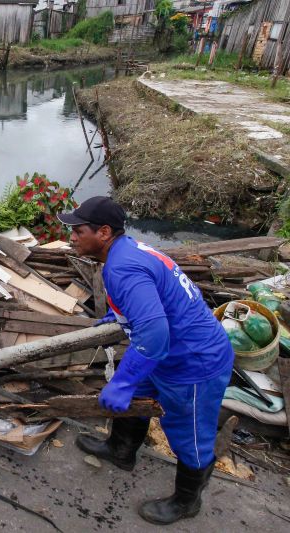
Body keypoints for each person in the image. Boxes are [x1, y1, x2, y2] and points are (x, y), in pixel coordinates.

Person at [57, 196, 234, 526]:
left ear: (104, 232)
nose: (72, 236)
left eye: (78, 230)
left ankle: (187, 501)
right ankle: (121, 451)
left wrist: (121, 382)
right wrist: (120, 313)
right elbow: (155, 296)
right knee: (138, 394)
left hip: (194, 361)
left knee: (189, 433)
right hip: (170, 352)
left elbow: (154, 336)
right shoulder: (128, 250)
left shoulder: (122, 267)